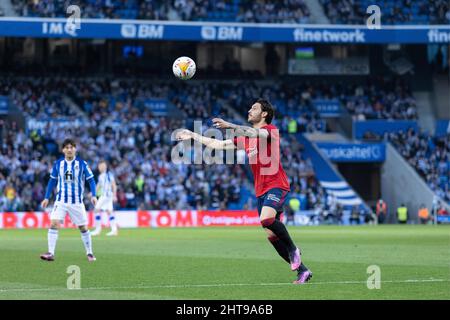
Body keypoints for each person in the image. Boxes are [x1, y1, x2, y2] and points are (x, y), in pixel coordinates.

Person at [176, 99, 312, 284]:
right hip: (260, 191)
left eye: (254, 108)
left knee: (266, 219)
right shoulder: (246, 140)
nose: (249, 110)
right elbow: (218, 145)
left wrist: (229, 125)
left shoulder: (270, 131)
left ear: (264, 114)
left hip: (276, 184)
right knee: (272, 236)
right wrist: (193, 135)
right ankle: (302, 271)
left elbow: (254, 132)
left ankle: (293, 249)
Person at [40, 139, 97, 262]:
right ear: (63, 150)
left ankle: (90, 253)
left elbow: (91, 180)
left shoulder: (82, 164)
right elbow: (52, 181)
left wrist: (94, 195)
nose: (69, 149)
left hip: (76, 202)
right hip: (61, 201)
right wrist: (46, 197)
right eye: (67, 147)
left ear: (75, 149)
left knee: (83, 227)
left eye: (72, 147)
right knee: (54, 223)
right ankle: (50, 253)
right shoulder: (58, 164)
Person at [91, 160, 118, 236]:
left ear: (105, 166)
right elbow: (98, 186)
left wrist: (115, 195)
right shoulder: (100, 176)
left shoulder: (109, 174)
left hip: (106, 195)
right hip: (107, 196)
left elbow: (114, 185)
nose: (101, 167)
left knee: (96, 210)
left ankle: (98, 230)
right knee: (109, 212)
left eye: (102, 165)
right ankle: (114, 230)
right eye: (100, 166)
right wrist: (93, 193)